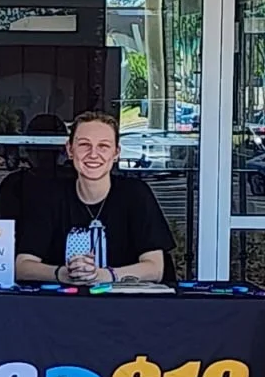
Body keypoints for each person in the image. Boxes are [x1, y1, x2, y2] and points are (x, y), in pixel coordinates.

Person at [14, 111, 176, 286]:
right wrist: (62, 274)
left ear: (116, 153)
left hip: (126, 306)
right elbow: (22, 266)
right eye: (84, 144)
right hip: (63, 306)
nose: (93, 154)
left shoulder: (136, 194)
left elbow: (155, 268)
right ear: (70, 150)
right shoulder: (50, 197)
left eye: (103, 146)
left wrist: (104, 275)